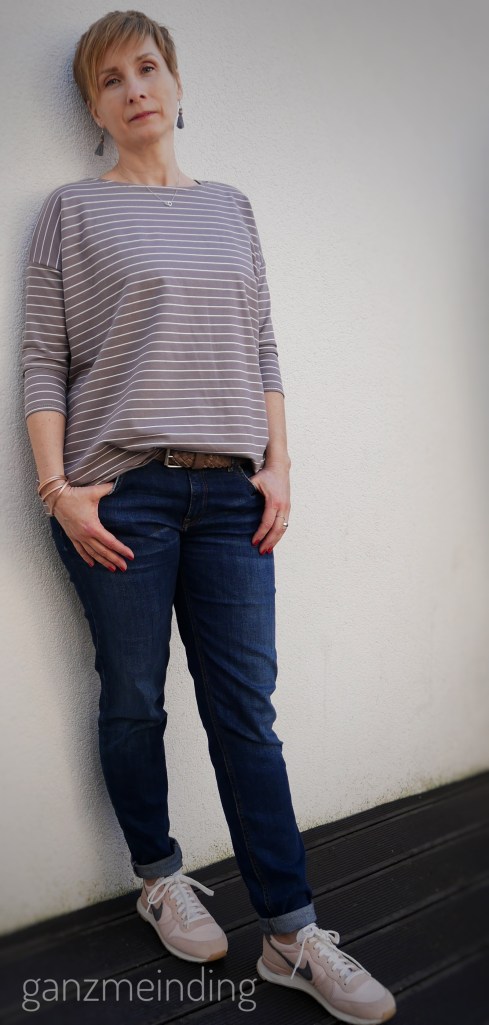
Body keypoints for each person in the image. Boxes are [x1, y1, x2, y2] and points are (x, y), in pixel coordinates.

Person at [21, 10, 396, 1023]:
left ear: (177, 83)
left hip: (234, 497)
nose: (134, 88)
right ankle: (158, 874)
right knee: (134, 697)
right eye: (110, 80)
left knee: (245, 713)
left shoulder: (231, 207)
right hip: (120, 495)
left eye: (147, 68)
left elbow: (261, 343)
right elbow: (44, 360)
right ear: (95, 110)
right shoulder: (71, 212)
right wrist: (58, 489)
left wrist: (279, 466)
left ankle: (291, 933)